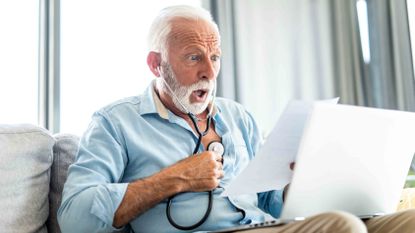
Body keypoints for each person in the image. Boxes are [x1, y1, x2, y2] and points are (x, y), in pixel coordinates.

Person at [57, 5, 415, 233]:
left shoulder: (237, 116)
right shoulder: (114, 123)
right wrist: (173, 179)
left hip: (265, 226)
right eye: (194, 57)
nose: (209, 72)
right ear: (156, 64)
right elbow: (74, 217)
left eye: (215, 57)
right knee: (341, 227)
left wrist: (300, 181)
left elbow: (270, 203)